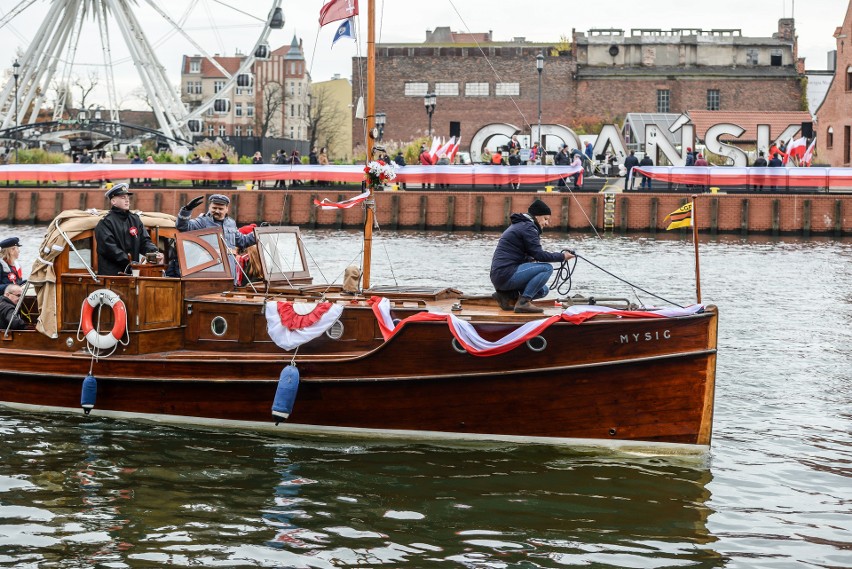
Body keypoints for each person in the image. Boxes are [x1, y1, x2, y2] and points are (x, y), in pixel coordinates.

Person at [490, 199, 574, 314]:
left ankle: (506, 296)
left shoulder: (522, 225)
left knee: (543, 290)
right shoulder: (528, 228)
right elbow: (539, 255)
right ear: (537, 216)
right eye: (545, 219)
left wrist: (532, 259)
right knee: (546, 268)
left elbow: (529, 254)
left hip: (500, 276)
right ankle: (523, 303)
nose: (546, 223)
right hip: (506, 274)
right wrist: (562, 256)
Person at [177, 194, 257, 284]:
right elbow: (182, 227)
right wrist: (186, 210)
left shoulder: (231, 223)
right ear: (209, 207)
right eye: (214, 208)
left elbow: (242, 241)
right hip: (210, 266)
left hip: (229, 267)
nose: (217, 211)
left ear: (227, 209)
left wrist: (257, 232)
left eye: (220, 209)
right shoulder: (202, 221)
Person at [95, 183, 163, 276]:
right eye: (123, 198)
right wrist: (131, 262)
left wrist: (154, 253)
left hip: (131, 272)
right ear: (113, 201)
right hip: (112, 275)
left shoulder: (135, 219)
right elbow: (109, 249)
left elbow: (144, 241)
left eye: (128, 197)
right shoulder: (105, 223)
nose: (127, 200)